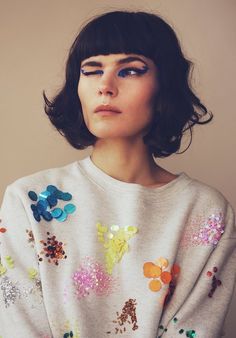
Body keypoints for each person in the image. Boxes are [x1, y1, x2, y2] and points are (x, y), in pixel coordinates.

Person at [0, 9, 235, 338]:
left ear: (163, 86)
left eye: (130, 71)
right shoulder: (29, 202)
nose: (105, 86)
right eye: (91, 71)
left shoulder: (206, 211)